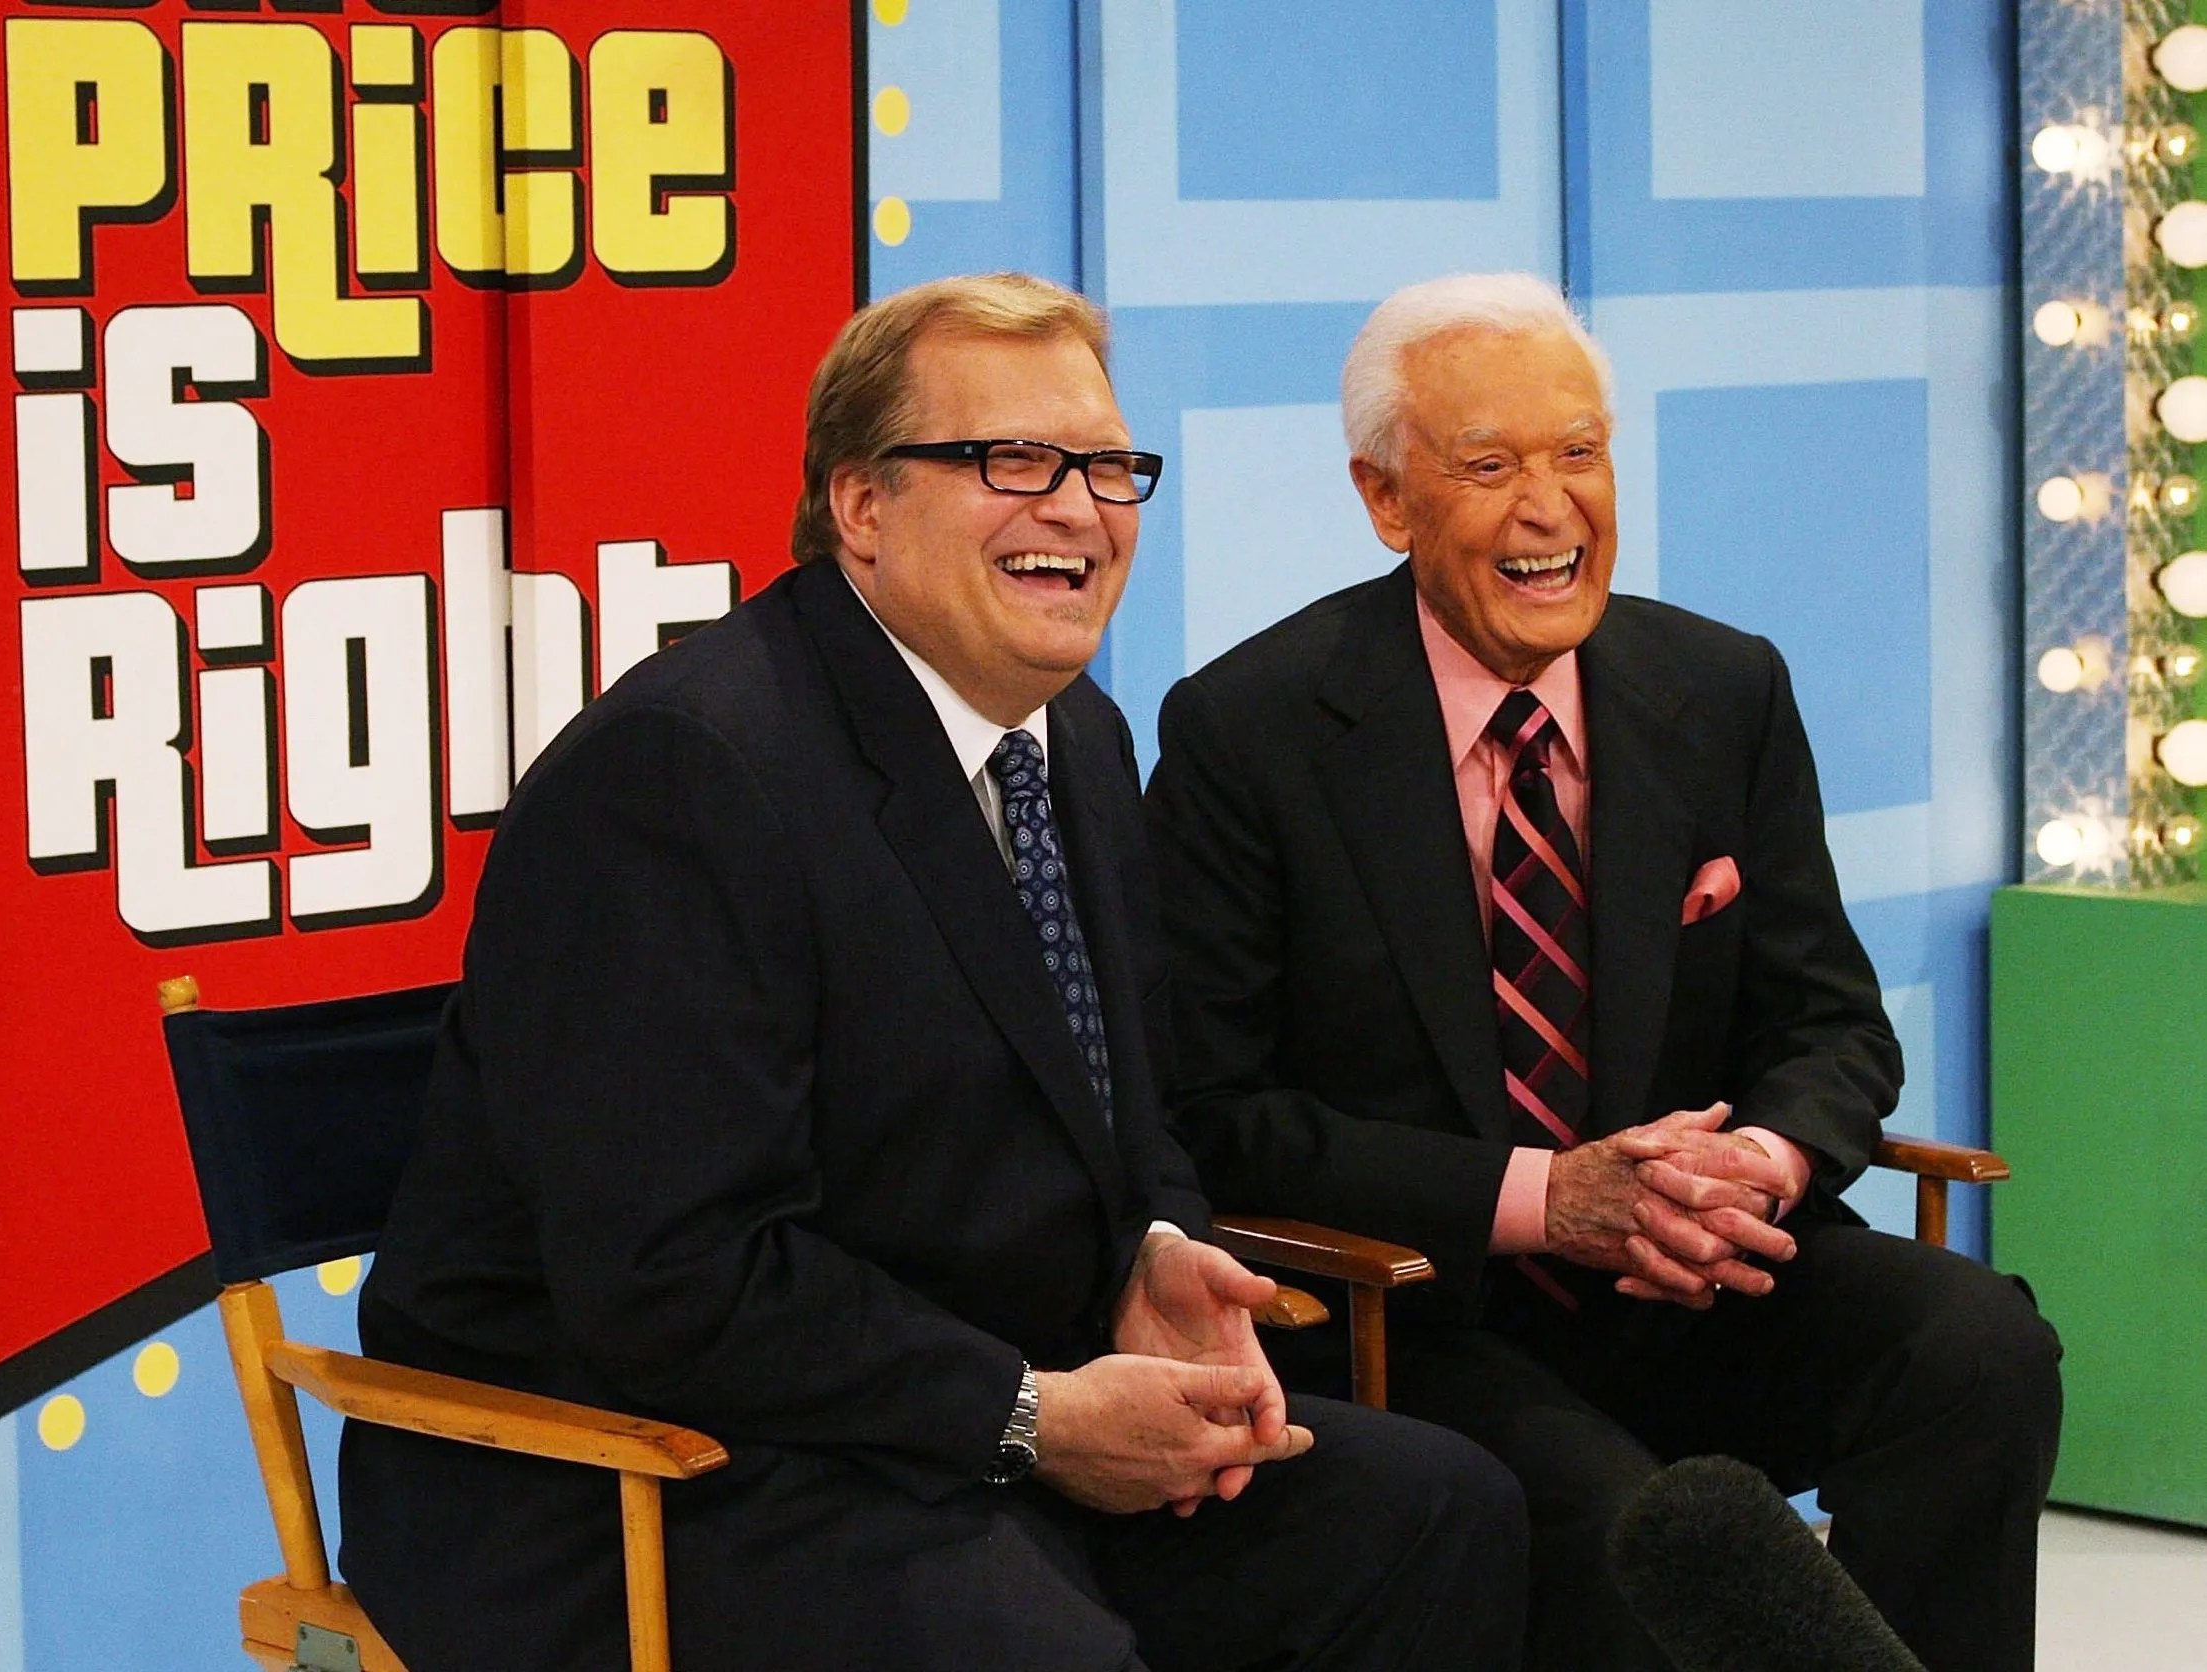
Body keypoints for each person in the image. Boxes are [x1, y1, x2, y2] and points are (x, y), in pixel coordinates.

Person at [339, 273, 1528, 1672]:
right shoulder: (684, 776)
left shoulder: (1073, 736)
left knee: (1435, 1510)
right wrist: (1029, 1415)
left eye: (1104, 467)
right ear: (859, 507)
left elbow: (1117, 1099)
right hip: (644, 1462)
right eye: (1009, 461)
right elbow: (672, 1281)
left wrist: (1150, 1247)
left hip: (945, 1414)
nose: (1077, 508)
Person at [1143, 270, 2062, 1672]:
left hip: (1698, 1280)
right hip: (1434, 1307)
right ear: (1387, 501)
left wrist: (1753, 1165)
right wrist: (1546, 1202)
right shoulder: (1248, 731)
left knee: (1973, 1345)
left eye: (1579, 452)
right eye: (1489, 464)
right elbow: (1218, 1117)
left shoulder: (1722, 688)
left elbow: (1826, 1025)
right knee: (1631, 1533)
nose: (1549, 505)